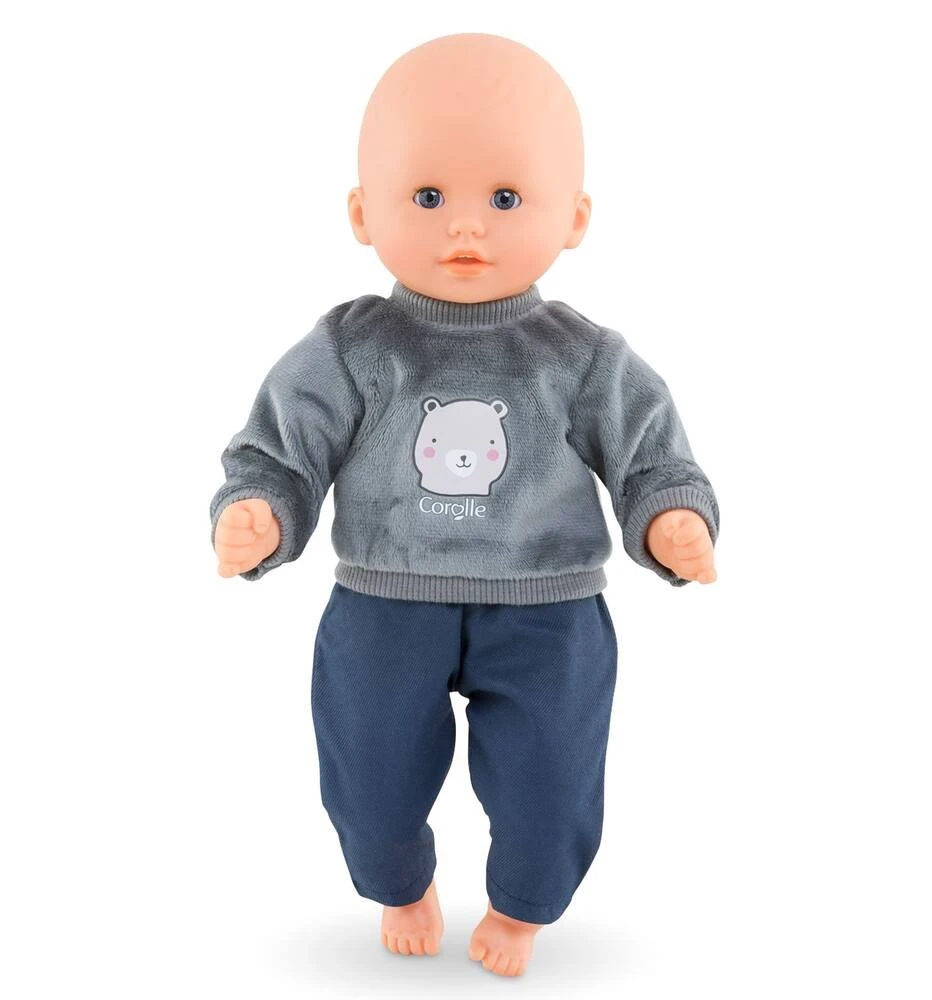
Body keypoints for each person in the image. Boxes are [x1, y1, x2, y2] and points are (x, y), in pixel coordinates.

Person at [210, 33, 719, 978]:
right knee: (367, 769)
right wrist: (263, 508)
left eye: (507, 198)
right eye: (429, 196)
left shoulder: (583, 356)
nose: (466, 228)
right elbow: (284, 442)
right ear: (363, 212)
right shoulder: (353, 346)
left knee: (551, 776)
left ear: (575, 217)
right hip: (383, 601)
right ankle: (398, 881)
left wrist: (668, 517)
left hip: (548, 610)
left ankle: (522, 906)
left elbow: (651, 452)